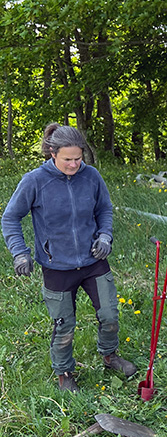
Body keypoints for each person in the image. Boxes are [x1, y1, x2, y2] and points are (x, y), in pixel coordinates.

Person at [1, 123, 137, 392]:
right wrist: (20, 253)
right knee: (64, 324)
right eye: (68, 159)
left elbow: (104, 210)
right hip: (57, 266)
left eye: (78, 158)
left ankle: (110, 356)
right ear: (52, 153)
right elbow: (10, 217)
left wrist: (105, 237)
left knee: (109, 314)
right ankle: (64, 373)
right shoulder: (34, 181)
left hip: (94, 260)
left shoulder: (92, 176)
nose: (75, 164)